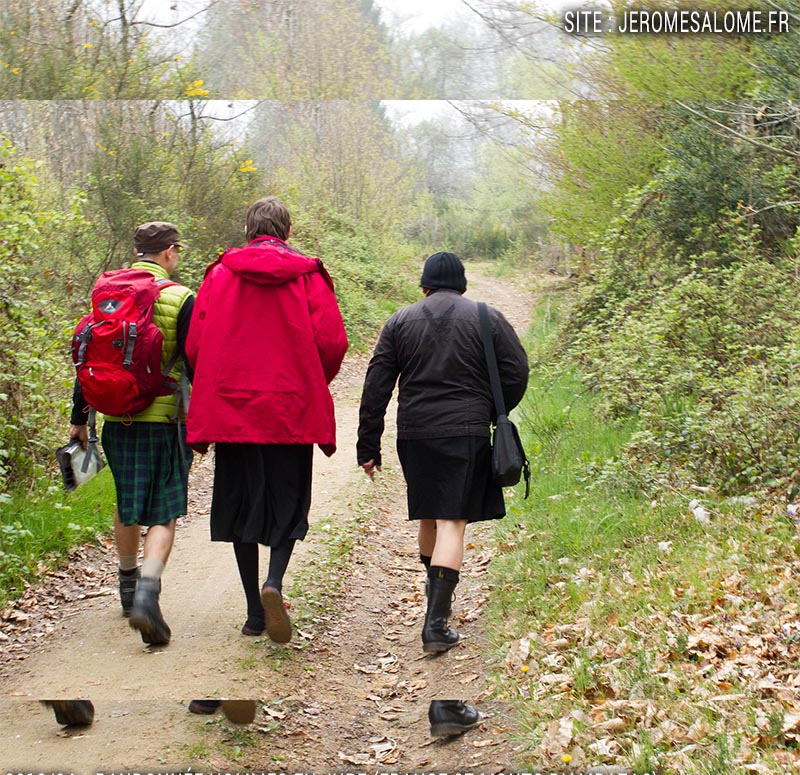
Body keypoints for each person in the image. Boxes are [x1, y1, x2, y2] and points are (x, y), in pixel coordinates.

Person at [357, 252, 528, 731]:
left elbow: (376, 384)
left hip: (414, 432)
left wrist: (367, 443)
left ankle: (434, 601)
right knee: (454, 519)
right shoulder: (485, 316)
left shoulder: (399, 321)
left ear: (425, 286)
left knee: (431, 514)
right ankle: (436, 624)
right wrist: (493, 405)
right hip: (467, 430)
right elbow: (517, 371)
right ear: (462, 284)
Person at [185, 196, 348, 644]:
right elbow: (332, 342)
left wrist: (219, 382)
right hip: (290, 409)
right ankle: (274, 581)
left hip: (234, 410)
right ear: (287, 232)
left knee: (240, 505)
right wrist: (311, 379)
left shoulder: (220, 274)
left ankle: (255, 614)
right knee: (288, 500)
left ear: (247, 230)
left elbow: (196, 344)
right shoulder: (308, 275)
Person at [70, 222, 194, 646]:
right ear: (170, 253)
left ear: (138, 250)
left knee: (128, 501)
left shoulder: (107, 292)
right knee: (164, 510)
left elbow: (88, 354)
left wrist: (78, 416)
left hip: (115, 418)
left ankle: (126, 584)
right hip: (165, 420)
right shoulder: (181, 297)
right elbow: (196, 363)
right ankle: (148, 590)